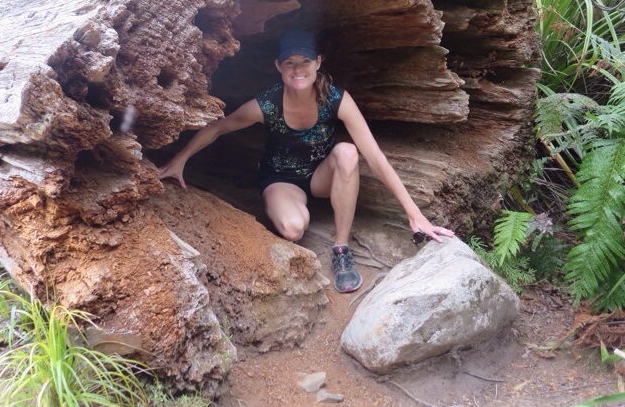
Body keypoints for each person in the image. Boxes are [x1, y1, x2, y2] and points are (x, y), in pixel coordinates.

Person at [158, 29, 455, 293]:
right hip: (281, 179)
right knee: (292, 229)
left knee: (348, 152)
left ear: (318, 62)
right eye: (290, 62)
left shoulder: (335, 99)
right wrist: (181, 158)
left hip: (320, 177)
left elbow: (374, 155)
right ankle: (284, 207)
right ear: (278, 66)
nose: (298, 69)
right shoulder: (268, 105)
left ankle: (341, 249)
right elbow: (220, 125)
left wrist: (413, 212)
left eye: (305, 61)